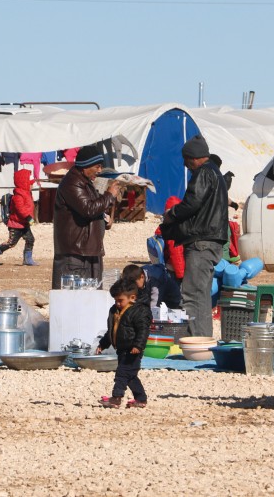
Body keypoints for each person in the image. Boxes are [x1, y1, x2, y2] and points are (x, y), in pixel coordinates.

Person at [160, 135, 228, 338]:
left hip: (201, 242)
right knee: (201, 296)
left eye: (186, 159)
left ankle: (196, 341)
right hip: (210, 241)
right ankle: (202, 340)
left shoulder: (204, 173)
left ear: (195, 157)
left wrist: (171, 214)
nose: (185, 164)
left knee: (192, 295)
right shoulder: (215, 172)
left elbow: (191, 203)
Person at [52, 144, 119, 289]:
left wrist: (104, 219)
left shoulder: (84, 182)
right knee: (76, 299)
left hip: (87, 250)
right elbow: (88, 209)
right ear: (86, 166)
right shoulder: (72, 183)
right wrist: (109, 195)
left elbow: (92, 208)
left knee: (91, 297)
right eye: (97, 166)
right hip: (75, 255)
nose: (100, 170)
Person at [95, 279, 152, 409]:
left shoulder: (139, 312)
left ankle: (116, 398)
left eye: (120, 300)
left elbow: (143, 330)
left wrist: (138, 346)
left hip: (133, 350)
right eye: (115, 300)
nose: (117, 303)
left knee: (121, 374)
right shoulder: (115, 311)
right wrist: (103, 344)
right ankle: (141, 399)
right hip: (122, 349)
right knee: (130, 376)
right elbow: (112, 331)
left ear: (132, 298)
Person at [0, 169, 37, 267]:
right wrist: (30, 219)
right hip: (16, 224)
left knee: (30, 239)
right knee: (11, 243)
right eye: (30, 183)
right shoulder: (18, 196)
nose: (32, 185)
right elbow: (21, 210)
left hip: (24, 223)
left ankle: (28, 259)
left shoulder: (27, 194)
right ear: (24, 183)